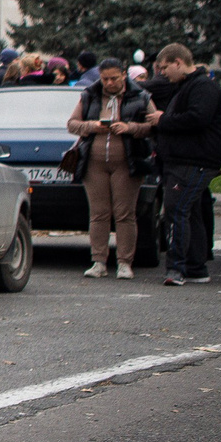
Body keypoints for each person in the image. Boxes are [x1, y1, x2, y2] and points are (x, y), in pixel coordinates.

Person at [146, 43, 221, 286]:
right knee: (191, 214)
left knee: (176, 210)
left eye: (165, 67)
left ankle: (176, 268)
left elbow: (197, 118)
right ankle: (195, 266)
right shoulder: (188, 86)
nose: (162, 73)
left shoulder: (202, 87)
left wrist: (163, 119)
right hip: (185, 160)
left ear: (178, 62)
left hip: (192, 161)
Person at [68, 59, 152, 278]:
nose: (109, 83)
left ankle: (124, 262)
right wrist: (92, 126)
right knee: (98, 214)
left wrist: (129, 127)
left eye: (114, 78)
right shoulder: (89, 95)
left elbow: (152, 125)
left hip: (127, 161)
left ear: (124, 75)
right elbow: (72, 124)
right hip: (94, 162)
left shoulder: (141, 96)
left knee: (125, 213)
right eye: (105, 79)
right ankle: (98, 262)